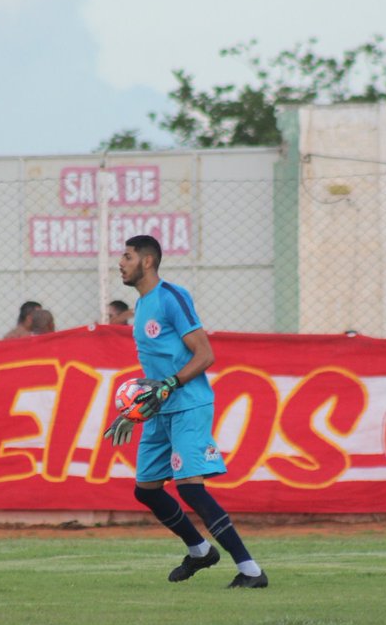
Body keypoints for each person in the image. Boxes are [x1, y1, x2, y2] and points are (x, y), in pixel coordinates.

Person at [103, 234, 267, 588]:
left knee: (191, 488)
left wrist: (170, 386)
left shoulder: (171, 297)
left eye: (127, 256)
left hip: (188, 405)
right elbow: (156, 373)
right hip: (160, 410)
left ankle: (251, 571)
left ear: (147, 261)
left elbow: (205, 354)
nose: (120, 262)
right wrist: (132, 410)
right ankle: (200, 551)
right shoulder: (142, 307)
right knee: (146, 490)